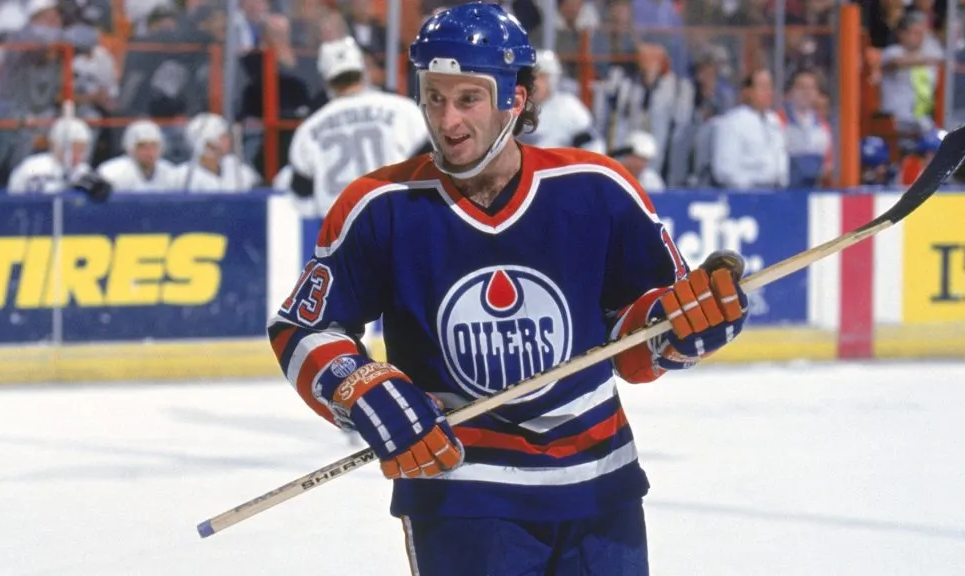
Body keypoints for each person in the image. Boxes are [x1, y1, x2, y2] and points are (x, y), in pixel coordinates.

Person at [267, 3, 748, 575]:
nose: (448, 120)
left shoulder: (596, 188)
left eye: (468, 98)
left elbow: (637, 340)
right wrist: (358, 386)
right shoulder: (380, 206)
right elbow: (302, 327)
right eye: (434, 96)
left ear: (514, 99)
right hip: (461, 492)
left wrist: (685, 327)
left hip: (599, 483)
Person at [274, 36, 429, 219]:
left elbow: (302, 198)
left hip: (339, 232)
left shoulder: (309, 129)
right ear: (363, 71)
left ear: (325, 80)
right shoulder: (403, 110)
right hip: (396, 222)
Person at [516, 49, 605, 153]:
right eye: (530, 77)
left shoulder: (569, 107)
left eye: (541, 77)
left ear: (552, 79)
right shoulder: (514, 107)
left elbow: (593, 145)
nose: (534, 83)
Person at [174, 113, 260, 192]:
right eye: (223, 137)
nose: (229, 140)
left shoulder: (235, 167)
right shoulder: (184, 176)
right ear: (208, 144)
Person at [96, 119, 177, 192]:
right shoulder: (112, 172)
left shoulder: (169, 172)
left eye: (154, 146)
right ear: (130, 149)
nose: (150, 152)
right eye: (143, 147)